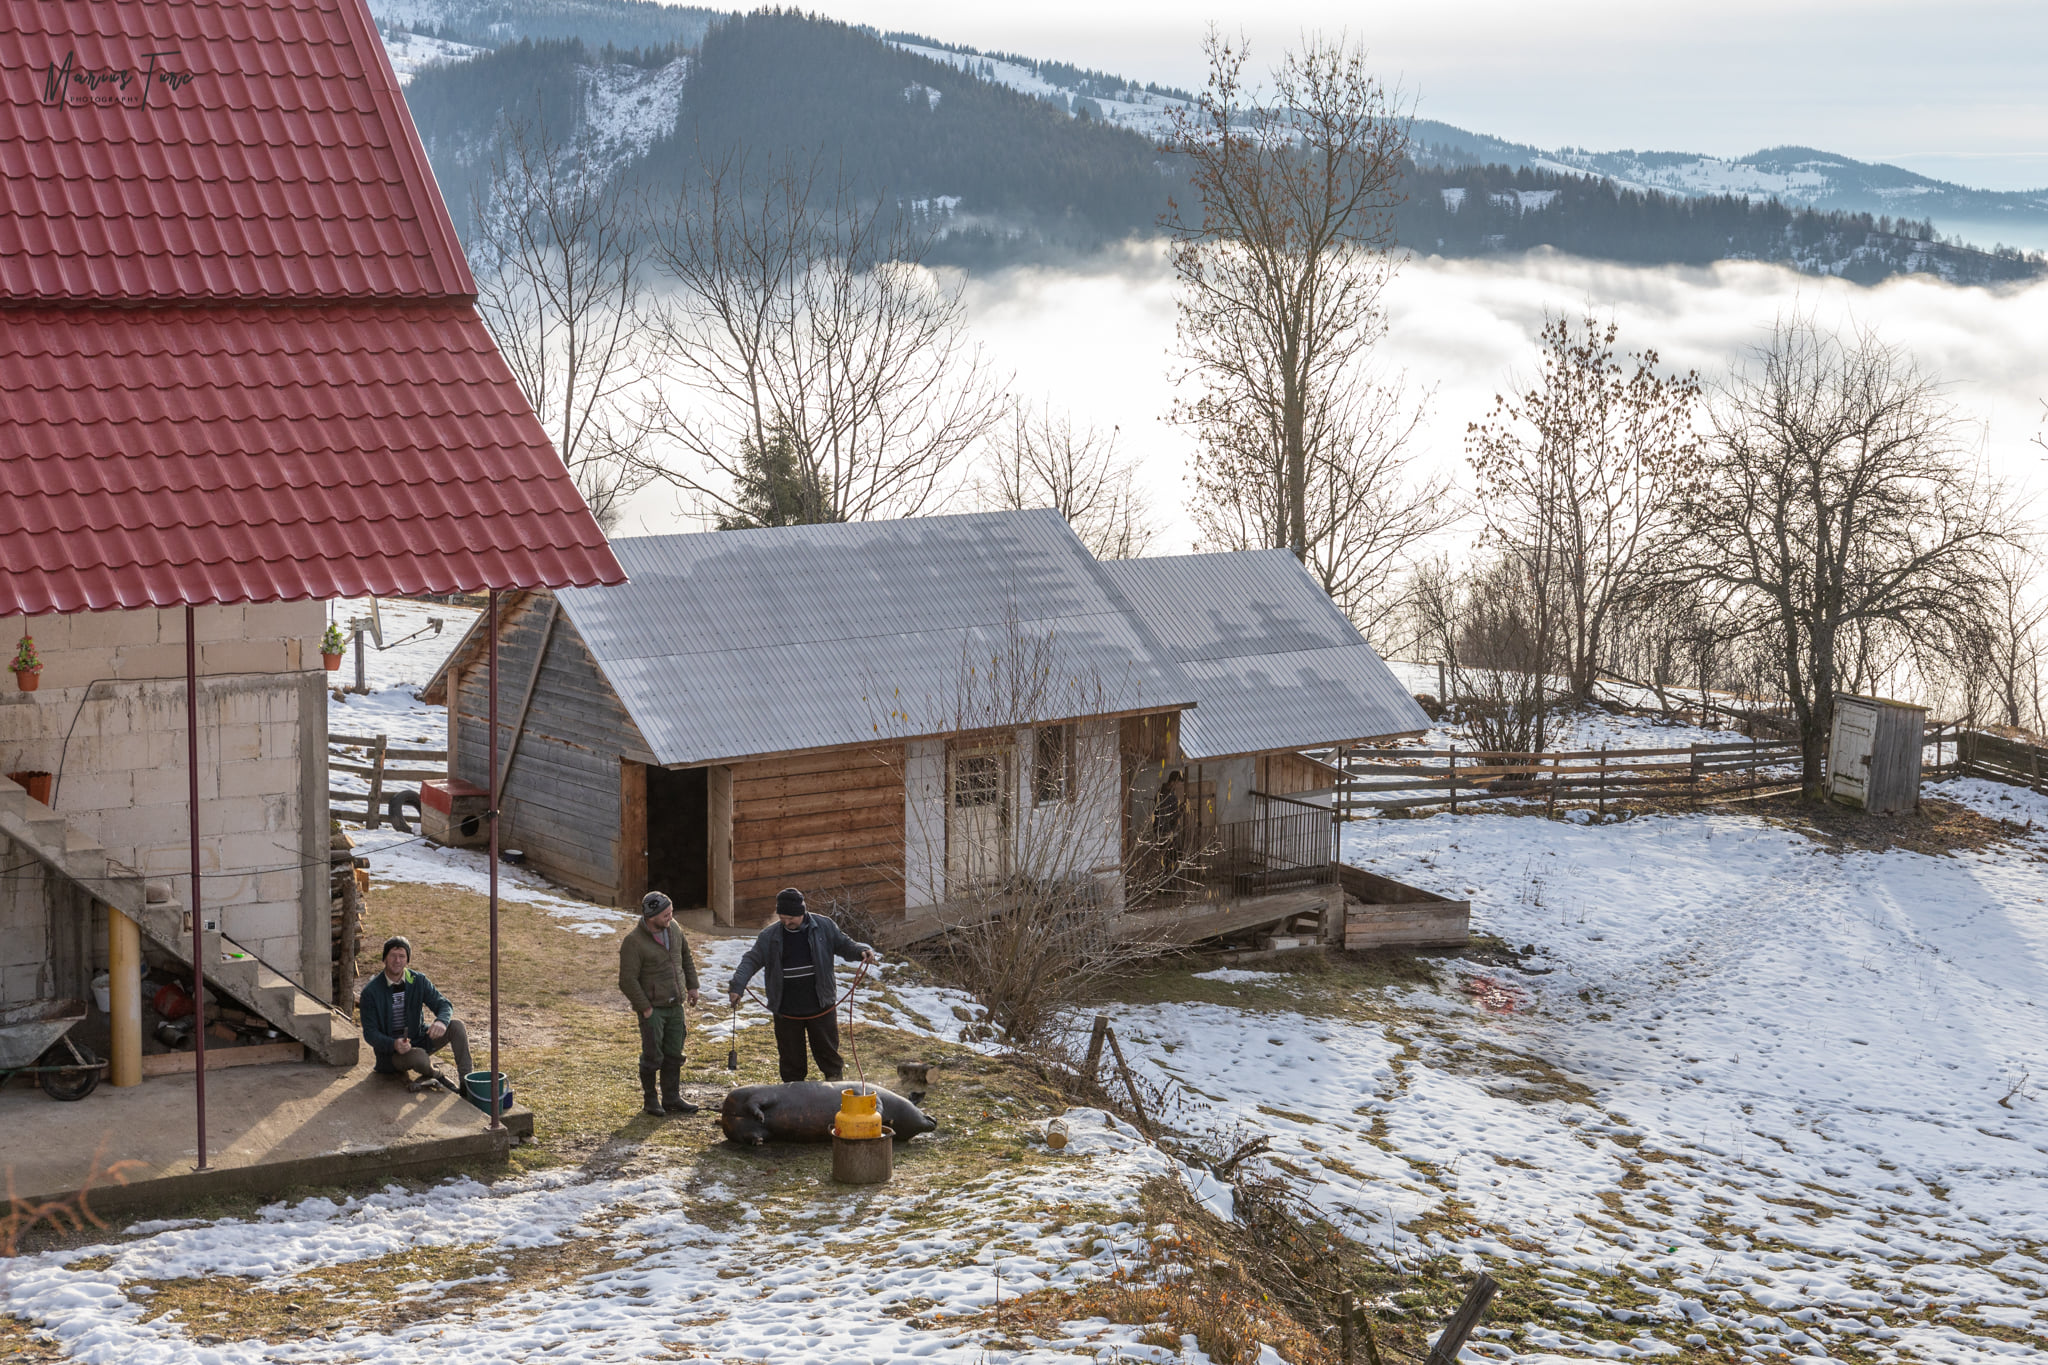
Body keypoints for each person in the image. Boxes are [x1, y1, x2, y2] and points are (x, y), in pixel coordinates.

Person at [727, 888, 877, 1083]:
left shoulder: (824, 926)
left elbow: (844, 945)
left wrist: (861, 951)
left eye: (791, 918)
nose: (786, 922)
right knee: (791, 1061)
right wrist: (737, 986)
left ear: (802, 913)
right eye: (782, 918)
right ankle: (793, 1092)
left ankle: (835, 1086)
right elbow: (751, 960)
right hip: (786, 1009)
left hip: (821, 1005)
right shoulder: (769, 936)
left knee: (828, 1055)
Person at [618, 891, 701, 1117]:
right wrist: (645, 1008)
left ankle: (672, 1098)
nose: (670, 917)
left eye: (671, 912)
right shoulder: (633, 942)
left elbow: (686, 956)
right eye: (665, 914)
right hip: (653, 1009)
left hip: (676, 1006)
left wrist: (692, 986)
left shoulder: (674, 928)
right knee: (653, 1056)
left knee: (674, 1053)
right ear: (651, 916)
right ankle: (650, 1100)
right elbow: (627, 980)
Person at [358, 936, 472, 1087]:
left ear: (407, 960)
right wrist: (393, 1044)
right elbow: (370, 1033)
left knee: (457, 1026)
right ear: (384, 958)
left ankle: (467, 1084)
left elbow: (444, 1004)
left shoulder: (418, 980)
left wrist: (441, 1021)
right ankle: (437, 1074)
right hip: (391, 1054)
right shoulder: (371, 992)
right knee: (419, 1058)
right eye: (392, 955)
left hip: (419, 1039)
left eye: (402, 956)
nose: (397, 961)